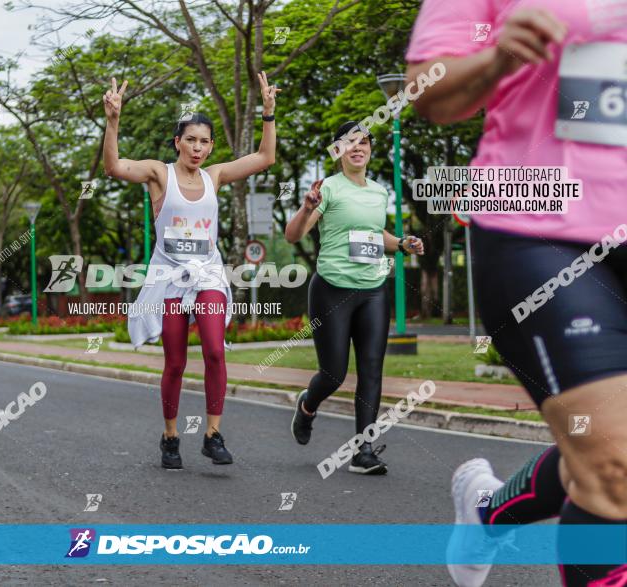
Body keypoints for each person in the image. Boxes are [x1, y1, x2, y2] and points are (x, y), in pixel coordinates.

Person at [406, 2, 627, 586]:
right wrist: (499, 55)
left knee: (607, 447)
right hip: (540, 218)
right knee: (615, 466)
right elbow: (429, 93)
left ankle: (487, 511)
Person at [103, 73, 280, 469]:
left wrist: (268, 114)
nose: (198, 148)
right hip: (168, 279)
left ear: (211, 146)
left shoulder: (214, 176)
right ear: (177, 143)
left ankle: (213, 435)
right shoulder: (158, 174)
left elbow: (265, 158)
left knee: (216, 351)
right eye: (191, 140)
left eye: (205, 142)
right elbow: (113, 167)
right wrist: (112, 121)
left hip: (208, 276)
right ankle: (170, 436)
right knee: (176, 362)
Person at [284, 121, 424, 475]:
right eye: (349, 144)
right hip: (332, 289)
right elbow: (292, 235)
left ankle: (364, 451)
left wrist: (403, 244)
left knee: (372, 371)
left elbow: (376, 236)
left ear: (370, 150)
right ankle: (307, 406)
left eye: (363, 142)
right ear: (339, 152)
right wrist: (306, 207)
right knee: (333, 374)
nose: (357, 148)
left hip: (374, 290)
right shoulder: (327, 190)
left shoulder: (379, 193)